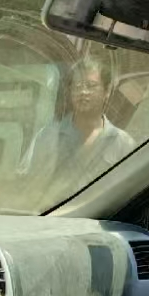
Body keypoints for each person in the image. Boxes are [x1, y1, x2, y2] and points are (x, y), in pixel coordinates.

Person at [18, 56, 136, 203]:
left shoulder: (122, 143)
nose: (83, 92)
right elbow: (28, 186)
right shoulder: (49, 135)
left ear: (107, 91)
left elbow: (128, 194)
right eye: (78, 86)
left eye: (91, 86)